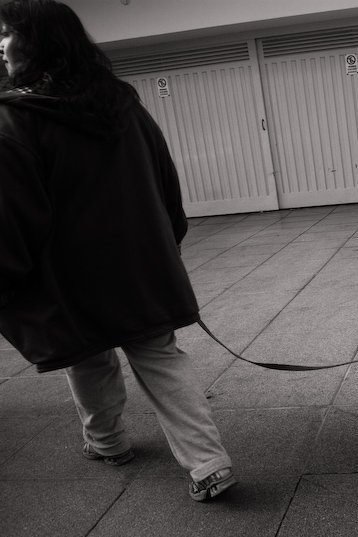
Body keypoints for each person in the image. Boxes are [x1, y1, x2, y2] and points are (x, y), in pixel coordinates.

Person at [0, 0, 235, 501]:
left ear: (33, 41)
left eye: (6, 34)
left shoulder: (14, 120)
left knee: (87, 358)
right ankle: (208, 463)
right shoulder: (121, 101)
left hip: (69, 276)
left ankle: (107, 442)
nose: (0, 45)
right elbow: (163, 175)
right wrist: (167, 239)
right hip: (138, 263)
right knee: (160, 356)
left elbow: (12, 212)